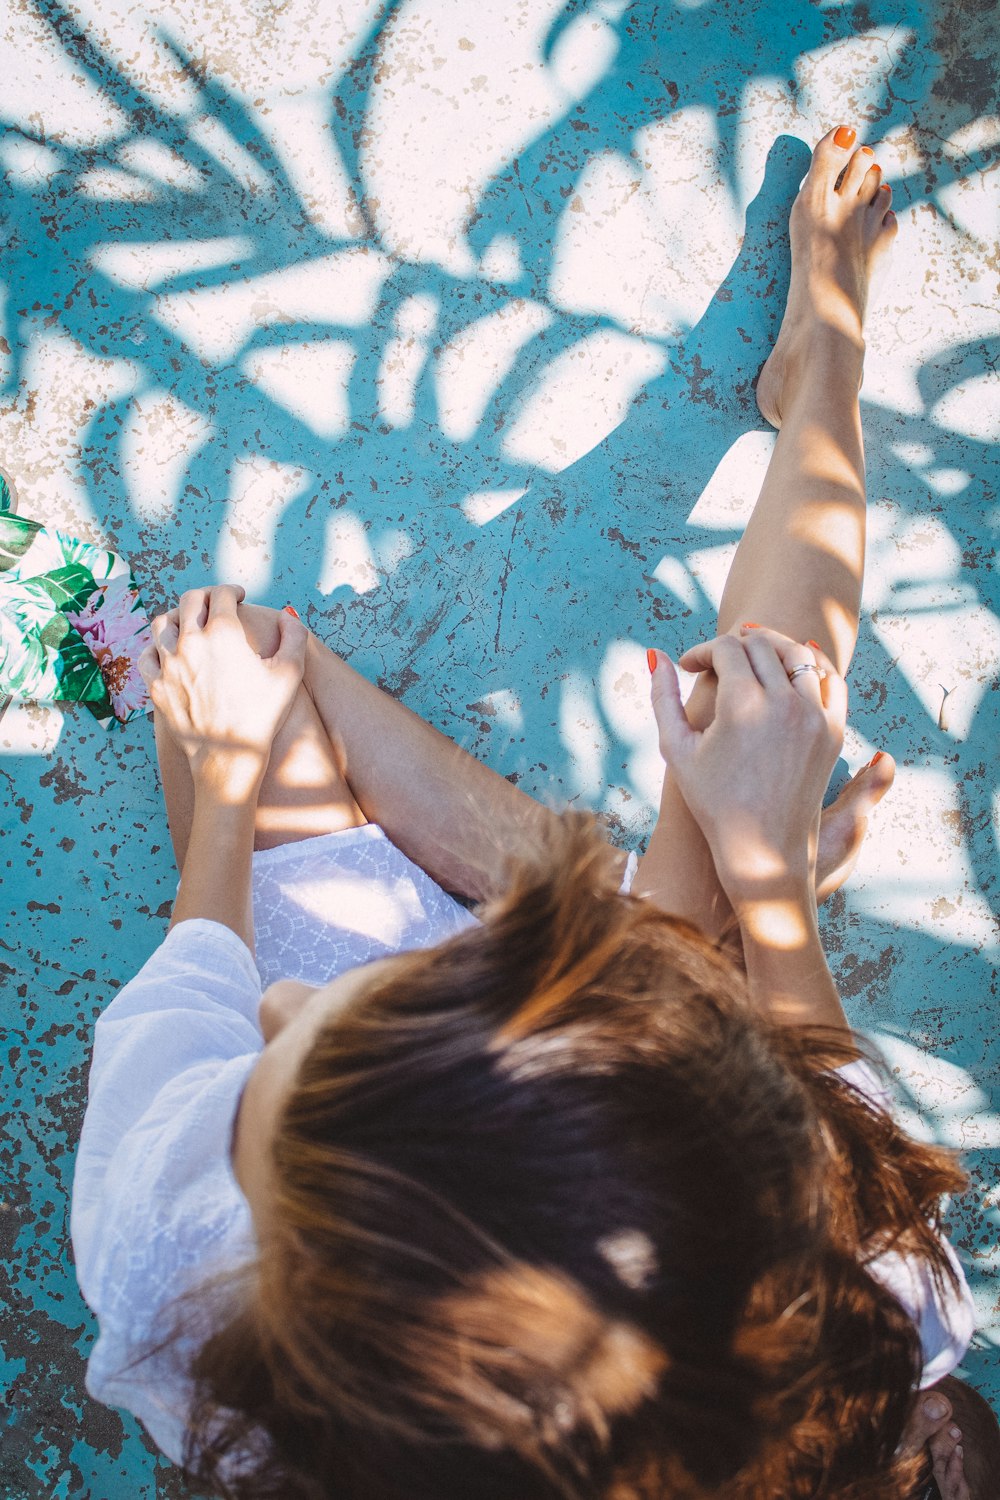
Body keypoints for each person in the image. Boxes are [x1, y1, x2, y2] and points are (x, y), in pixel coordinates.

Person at [71, 127, 987, 1499]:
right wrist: (764, 876)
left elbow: (201, 987)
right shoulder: (867, 1307)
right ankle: (826, 369)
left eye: (274, 1083)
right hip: (683, 1067)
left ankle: (678, 918)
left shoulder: (179, 1270)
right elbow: (795, 1088)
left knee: (240, 662)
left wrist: (231, 788)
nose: (272, 1013)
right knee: (766, 708)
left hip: (646, 1051)